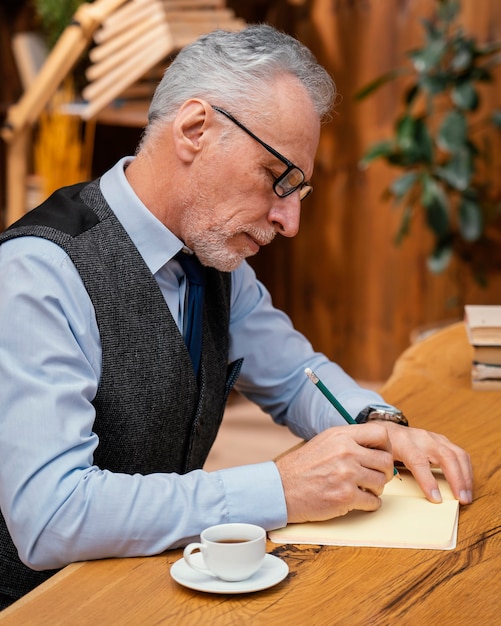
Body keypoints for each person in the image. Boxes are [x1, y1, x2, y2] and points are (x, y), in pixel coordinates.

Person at [0, 24, 472, 609]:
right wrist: (281, 487)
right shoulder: (35, 274)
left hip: (158, 589)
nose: (289, 222)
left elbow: (299, 375)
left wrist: (380, 423)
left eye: (299, 191)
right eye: (277, 179)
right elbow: (51, 517)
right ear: (196, 129)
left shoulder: (213, 255)